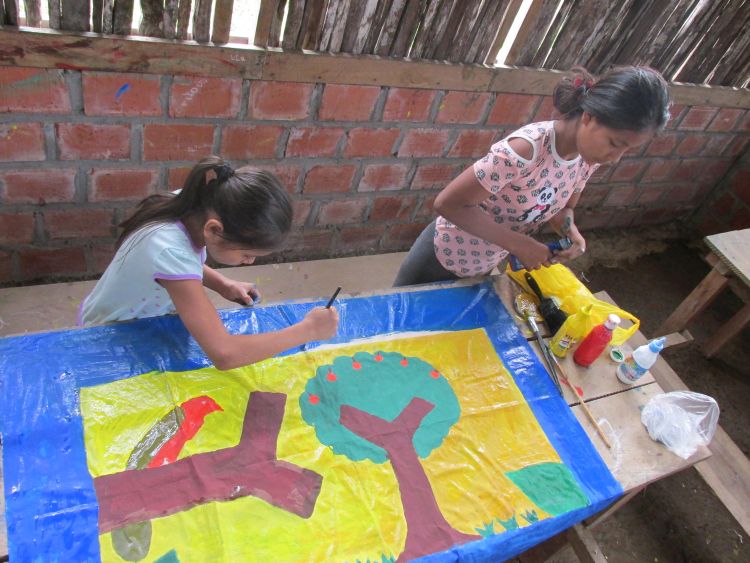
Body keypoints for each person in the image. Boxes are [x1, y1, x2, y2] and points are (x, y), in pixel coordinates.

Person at [393, 66, 671, 286]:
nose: (615, 158)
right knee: (397, 323)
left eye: (626, 150)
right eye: (614, 144)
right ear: (589, 117)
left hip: (485, 261)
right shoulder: (526, 150)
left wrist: (572, 234)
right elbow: (448, 204)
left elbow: (562, 208)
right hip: (444, 255)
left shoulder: (586, 159)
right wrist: (519, 244)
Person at [79, 155, 339, 370]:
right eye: (246, 254)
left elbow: (180, 264)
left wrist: (221, 283)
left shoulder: (195, 205)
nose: (249, 262)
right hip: (112, 334)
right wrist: (308, 330)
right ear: (214, 230)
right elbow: (224, 354)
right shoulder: (169, 249)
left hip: (143, 316)